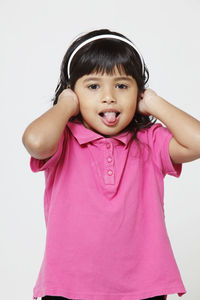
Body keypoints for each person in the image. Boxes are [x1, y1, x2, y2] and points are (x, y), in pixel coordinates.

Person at [22, 28, 200, 300]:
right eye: (93, 86)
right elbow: (35, 141)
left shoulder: (149, 141)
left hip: (142, 288)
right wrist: (65, 105)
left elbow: (196, 142)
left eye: (122, 85)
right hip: (68, 287)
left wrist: (154, 103)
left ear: (138, 92)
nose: (109, 97)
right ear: (73, 92)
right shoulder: (63, 139)